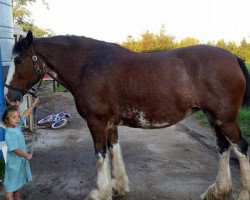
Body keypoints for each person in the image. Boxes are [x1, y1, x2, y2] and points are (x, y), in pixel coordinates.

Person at [2, 97, 39, 200]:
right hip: (14, 163)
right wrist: (26, 155)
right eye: (14, 117)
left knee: (17, 181)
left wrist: (33, 104)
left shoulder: (16, 126)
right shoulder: (9, 133)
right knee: (11, 183)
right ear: (7, 120)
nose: (18, 119)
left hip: (19, 161)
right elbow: (15, 150)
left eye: (17, 117)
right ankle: (9, 197)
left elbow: (26, 114)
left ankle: (16, 197)